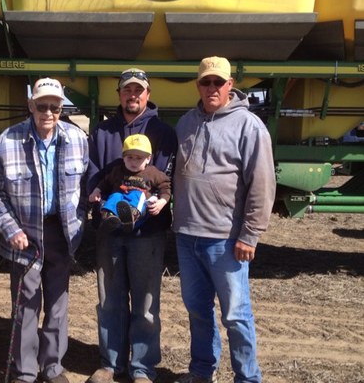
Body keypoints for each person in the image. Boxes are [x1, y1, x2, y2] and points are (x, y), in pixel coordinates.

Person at [172, 56, 276, 383]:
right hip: (187, 236)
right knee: (198, 311)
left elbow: (262, 183)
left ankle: (247, 378)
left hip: (226, 240)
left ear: (230, 85)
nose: (212, 88)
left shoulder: (249, 126)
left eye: (219, 82)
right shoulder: (186, 123)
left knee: (235, 315)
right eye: (206, 82)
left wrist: (250, 235)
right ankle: (202, 372)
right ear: (198, 85)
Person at [0, 77, 89, 383]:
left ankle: (52, 367)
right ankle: (25, 372)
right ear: (31, 106)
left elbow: (85, 189)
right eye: (41, 105)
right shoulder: (8, 141)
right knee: (26, 304)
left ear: (61, 108)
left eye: (54, 106)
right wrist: (10, 229)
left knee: (58, 303)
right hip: (24, 234)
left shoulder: (78, 139)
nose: (48, 112)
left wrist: (79, 223)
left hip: (61, 232)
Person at [87, 68, 178, 383]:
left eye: (139, 90)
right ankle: (110, 364)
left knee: (146, 301)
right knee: (109, 299)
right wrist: (97, 196)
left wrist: (160, 203)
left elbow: (169, 179)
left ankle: (142, 367)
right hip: (110, 233)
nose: (133, 95)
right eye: (128, 90)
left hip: (147, 235)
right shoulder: (102, 132)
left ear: (148, 95)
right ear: (120, 94)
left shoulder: (164, 132)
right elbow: (94, 172)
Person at [89, 133, 171, 233]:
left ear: (148, 159)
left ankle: (130, 217)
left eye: (139, 158)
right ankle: (110, 217)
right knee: (115, 195)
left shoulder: (152, 173)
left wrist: (162, 201)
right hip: (119, 202)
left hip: (140, 208)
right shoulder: (118, 171)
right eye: (130, 157)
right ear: (123, 157)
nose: (134, 162)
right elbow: (105, 182)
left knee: (137, 195)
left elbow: (165, 186)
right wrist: (96, 191)